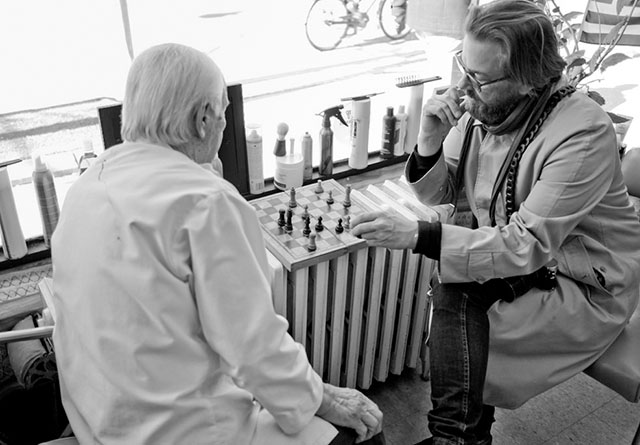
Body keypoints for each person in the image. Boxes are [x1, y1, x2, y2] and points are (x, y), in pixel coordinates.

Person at [50, 43, 384, 445]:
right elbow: (255, 348)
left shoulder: (87, 185)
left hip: (98, 424)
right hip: (187, 433)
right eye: (223, 114)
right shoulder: (206, 201)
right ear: (204, 119)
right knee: (360, 435)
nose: (223, 126)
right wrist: (324, 399)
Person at [351, 1, 640, 444]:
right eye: (464, 69)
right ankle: (462, 435)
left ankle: (458, 437)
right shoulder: (487, 107)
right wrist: (428, 137)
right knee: (454, 284)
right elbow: (442, 191)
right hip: (526, 258)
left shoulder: (583, 131)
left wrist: (419, 234)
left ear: (527, 79)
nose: (465, 87)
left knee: (459, 294)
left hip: (584, 280)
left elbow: (527, 244)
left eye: (480, 79)